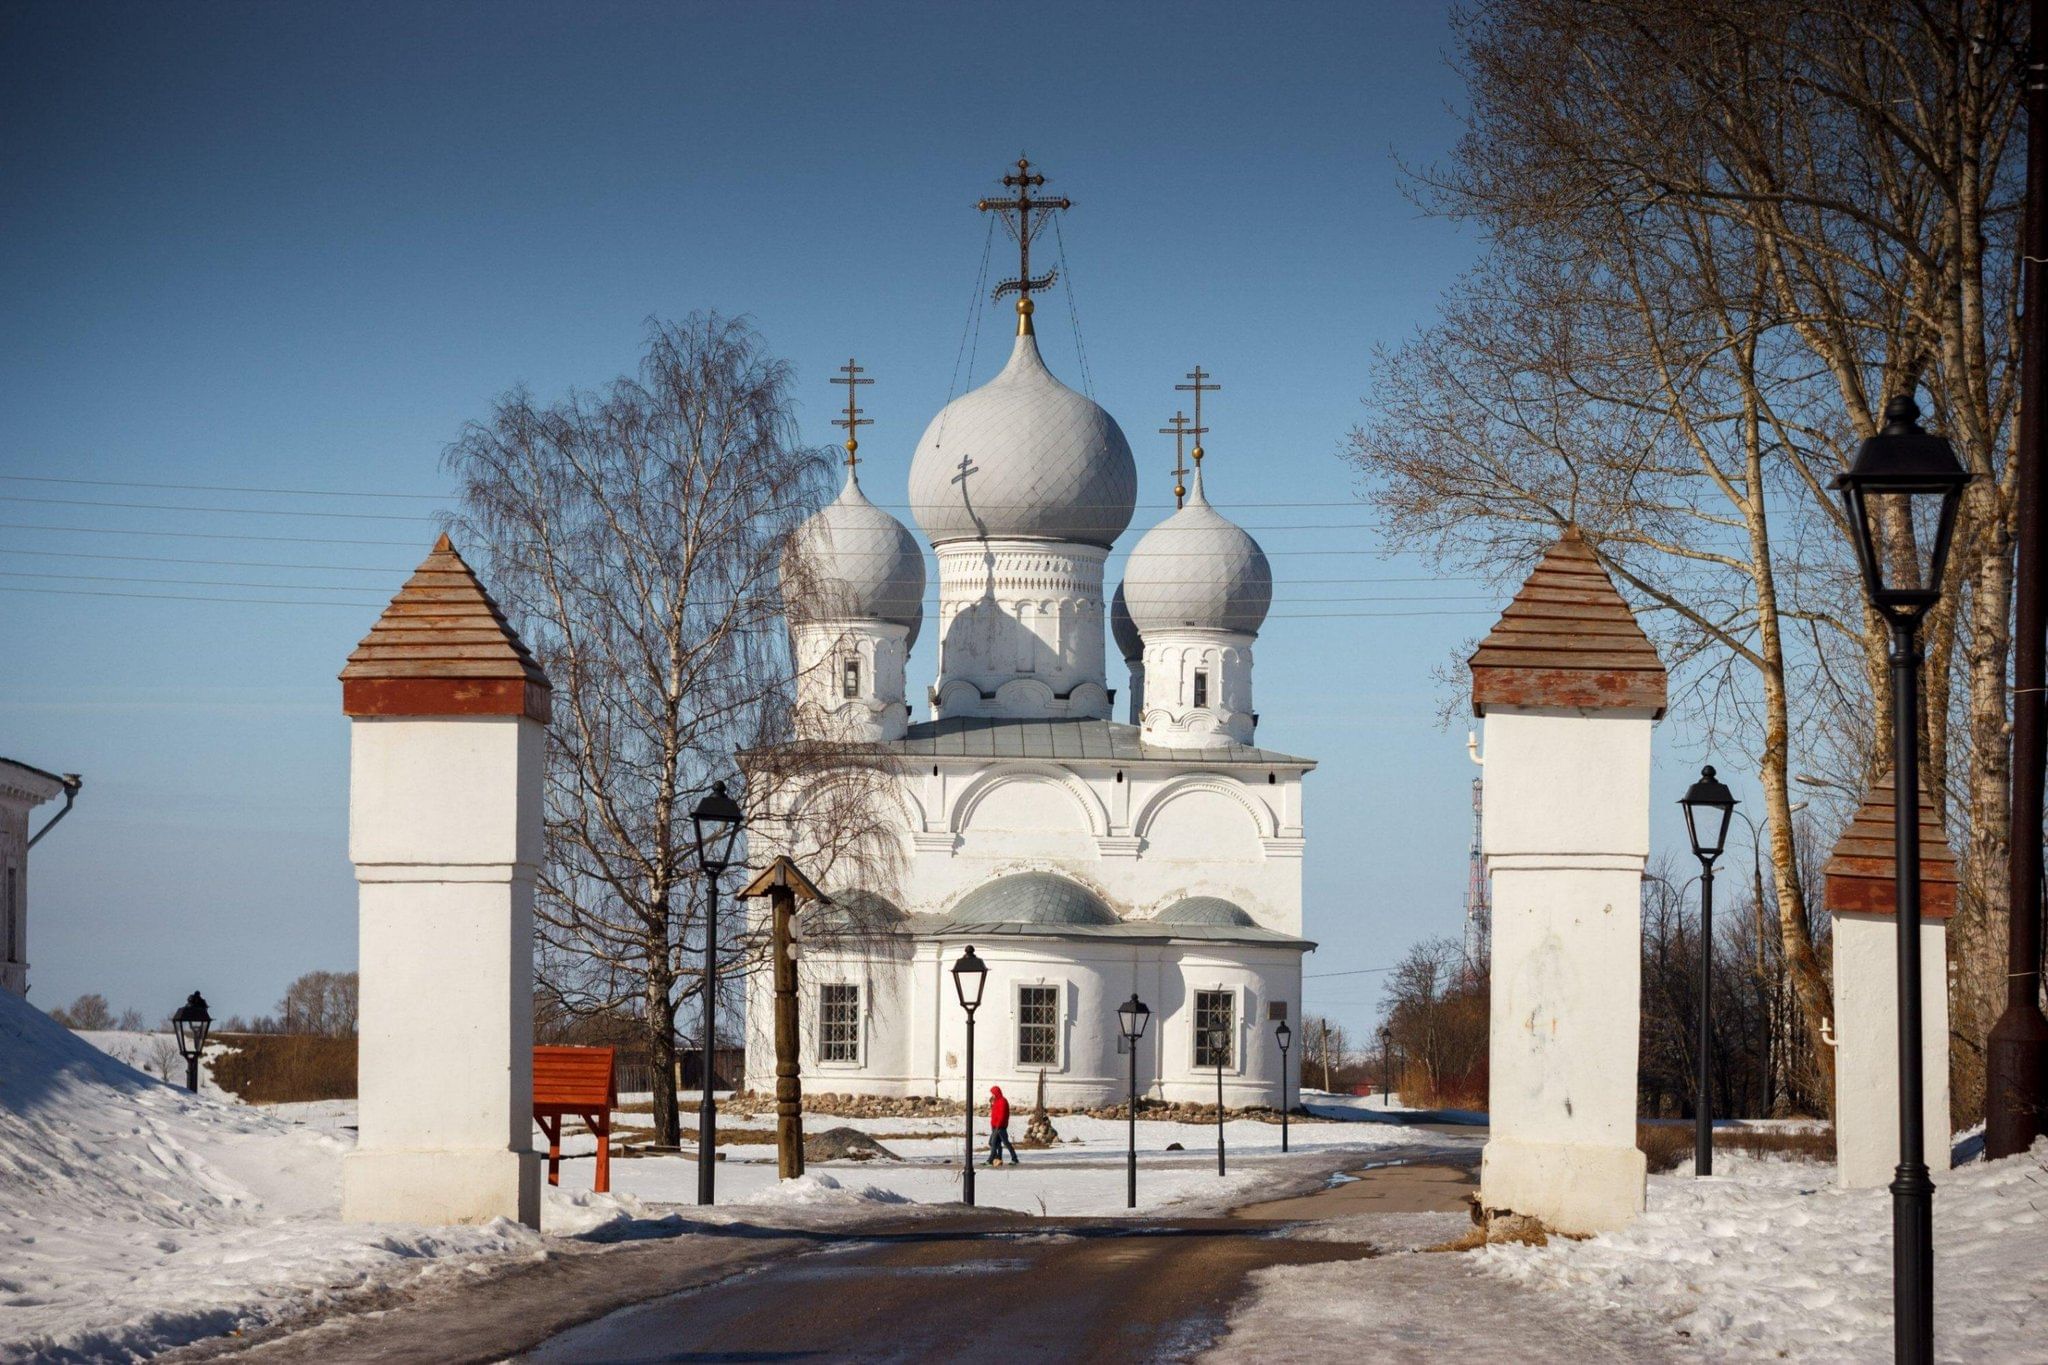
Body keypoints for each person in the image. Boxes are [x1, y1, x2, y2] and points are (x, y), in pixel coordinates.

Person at [987, 1084, 1020, 1166]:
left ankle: (991, 1160)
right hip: (995, 1126)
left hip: (1000, 1127)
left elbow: (1002, 1115)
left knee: (996, 1143)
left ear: (997, 1093)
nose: (992, 1095)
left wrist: (998, 1125)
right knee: (995, 1143)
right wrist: (992, 1103)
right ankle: (999, 1158)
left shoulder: (1003, 1101)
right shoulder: (996, 1101)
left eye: (993, 1094)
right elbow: (995, 1113)